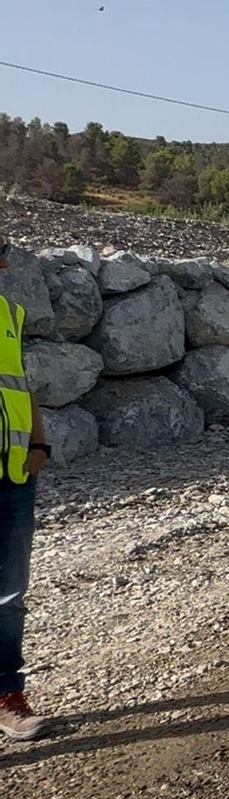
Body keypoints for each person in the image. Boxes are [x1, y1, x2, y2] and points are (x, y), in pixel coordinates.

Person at [0, 232, 51, 741]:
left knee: (10, 597)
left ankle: (7, 696)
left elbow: (18, 384)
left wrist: (40, 446)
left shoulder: (8, 315)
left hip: (14, 475)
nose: (6, 266)